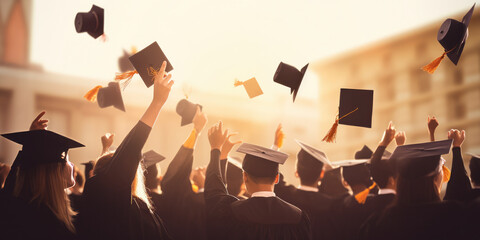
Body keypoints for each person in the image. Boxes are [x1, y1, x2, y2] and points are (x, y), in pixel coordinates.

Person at [77, 61, 174, 240]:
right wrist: (157, 103)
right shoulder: (130, 209)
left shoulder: (97, 204)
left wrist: (105, 150)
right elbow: (128, 153)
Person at [204, 121, 311, 240]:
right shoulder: (298, 217)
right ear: (277, 178)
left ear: (244, 177)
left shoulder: (233, 212)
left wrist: (216, 150)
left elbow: (214, 193)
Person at [360, 129, 469, 240]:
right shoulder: (451, 216)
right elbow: (460, 189)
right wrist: (456, 148)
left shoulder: (380, 223)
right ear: (435, 179)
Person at [0, 111, 84, 240]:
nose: (72, 165)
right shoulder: (40, 219)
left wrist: (30, 143)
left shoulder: (27, 209)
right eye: (66, 160)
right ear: (54, 172)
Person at [158, 106, 208, 240]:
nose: (200, 168)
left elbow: (177, 173)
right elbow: (177, 174)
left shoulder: (212, 203)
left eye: (206, 170)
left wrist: (196, 131)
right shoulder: (185, 195)